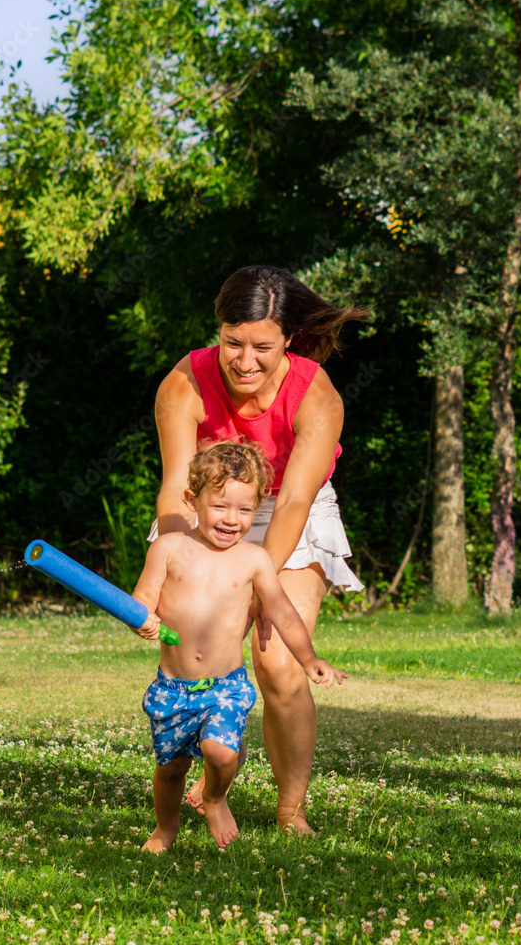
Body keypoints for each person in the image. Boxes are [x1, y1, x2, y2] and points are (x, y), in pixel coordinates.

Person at [151, 264, 367, 835]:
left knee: (277, 662)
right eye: (232, 343)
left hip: (287, 508)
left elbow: (295, 498)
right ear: (217, 330)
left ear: (288, 339)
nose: (245, 361)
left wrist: (254, 583)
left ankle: (290, 809)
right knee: (204, 649)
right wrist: (178, 563)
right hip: (209, 505)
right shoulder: (184, 384)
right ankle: (211, 780)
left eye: (263, 347)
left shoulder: (316, 397)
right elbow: (177, 486)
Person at [132, 440, 346, 852]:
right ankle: (165, 829)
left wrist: (309, 658)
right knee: (171, 768)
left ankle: (214, 798)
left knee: (221, 753)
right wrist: (141, 616)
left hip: (224, 687)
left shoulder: (254, 560)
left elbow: (283, 612)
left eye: (245, 510)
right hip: (172, 688)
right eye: (221, 507)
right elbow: (143, 597)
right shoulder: (169, 549)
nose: (233, 520)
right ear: (193, 500)